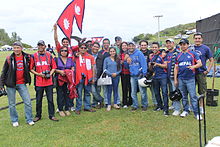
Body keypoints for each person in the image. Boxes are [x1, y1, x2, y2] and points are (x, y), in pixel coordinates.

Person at [0, 41, 34, 127]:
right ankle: (14, 120)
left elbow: (31, 65)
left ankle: (29, 119)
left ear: (21, 48)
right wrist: (1, 85)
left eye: (18, 47)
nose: (16, 49)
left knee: (28, 102)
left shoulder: (27, 57)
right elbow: (3, 72)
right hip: (10, 84)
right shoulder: (9, 58)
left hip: (22, 83)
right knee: (12, 104)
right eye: (14, 48)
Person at [30, 40, 59, 122]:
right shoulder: (34, 56)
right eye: (39, 45)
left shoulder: (49, 55)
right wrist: (39, 74)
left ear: (45, 46)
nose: (40, 47)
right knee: (38, 100)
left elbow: (54, 67)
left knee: (50, 99)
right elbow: (31, 69)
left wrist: (50, 73)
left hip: (49, 82)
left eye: (42, 45)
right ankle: (38, 115)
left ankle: (52, 115)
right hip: (39, 82)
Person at [174, 39, 202, 120]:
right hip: (181, 78)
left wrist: (193, 67)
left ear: (188, 45)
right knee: (184, 96)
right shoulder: (178, 55)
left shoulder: (193, 54)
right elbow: (176, 68)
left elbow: (200, 63)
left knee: (193, 96)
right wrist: (175, 79)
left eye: (184, 44)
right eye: (181, 44)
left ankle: (197, 113)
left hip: (190, 79)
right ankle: (186, 110)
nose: (183, 46)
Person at [193, 32, 214, 114]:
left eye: (199, 38)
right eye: (196, 38)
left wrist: (208, 70)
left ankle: (201, 107)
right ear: (193, 39)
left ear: (202, 39)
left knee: (202, 91)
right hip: (191, 72)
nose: (197, 40)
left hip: (201, 72)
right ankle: (193, 106)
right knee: (192, 90)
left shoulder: (206, 48)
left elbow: (211, 60)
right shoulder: (191, 48)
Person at [74, 42, 96, 115]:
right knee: (79, 93)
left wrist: (93, 77)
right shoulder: (76, 56)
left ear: (87, 49)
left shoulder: (90, 57)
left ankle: (87, 107)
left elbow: (93, 68)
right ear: (79, 48)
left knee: (87, 93)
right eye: (81, 48)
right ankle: (78, 108)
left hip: (88, 77)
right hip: (78, 77)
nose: (83, 49)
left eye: (84, 48)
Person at [126, 42, 148, 111]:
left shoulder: (139, 53)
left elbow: (144, 63)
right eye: (129, 46)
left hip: (140, 75)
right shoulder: (128, 54)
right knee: (133, 92)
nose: (131, 47)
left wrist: (144, 73)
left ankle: (144, 105)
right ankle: (135, 105)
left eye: (132, 46)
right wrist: (127, 62)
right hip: (132, 75)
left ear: (135, 46)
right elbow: (127, 66)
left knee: (142, 92)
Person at [54, 46, 75, 117]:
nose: (64, 52)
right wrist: (60, 71)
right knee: (60, 94)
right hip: (59, 79)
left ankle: (66, 108)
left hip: (68, 79)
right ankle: (60, 109)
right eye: (62, 50)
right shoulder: (56, 59)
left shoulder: (70, 59)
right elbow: (53, 68)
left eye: (65, 51)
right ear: (60, 52)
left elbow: (72, 67)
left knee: (67, 94)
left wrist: (69, 71)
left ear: (67, 52)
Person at [150, 42, 169, 116]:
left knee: (164, 92)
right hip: (155, 76)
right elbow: (151, 68)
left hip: (163, 76)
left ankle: (166, 108)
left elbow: (166, 66)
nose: (154, 48)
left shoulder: (163, 55)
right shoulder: (151, 56)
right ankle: (159, 106)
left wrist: (157, 64)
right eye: (153, 47)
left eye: (155, 47)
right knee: (156, 93)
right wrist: (150, 66)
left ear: (158, 48)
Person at [139, 40, 157, 107]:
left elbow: (160, 52)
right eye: (142, 45)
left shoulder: (151, 52)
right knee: (143, 91)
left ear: (147, 46)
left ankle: (156, 103)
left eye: (145, 45)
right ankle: (144, 104)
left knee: (153, 90)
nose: (143, 46)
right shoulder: (138, 53)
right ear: (140, 46)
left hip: (151, 73)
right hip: (142, 74)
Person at [165, 38, 181, 116]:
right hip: (167, 76)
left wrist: (176, 77)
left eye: (170, 43)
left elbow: (177, 66)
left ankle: (177, 109)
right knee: (171, 92)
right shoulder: (166, 53)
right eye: (167, 43)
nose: (168, 45)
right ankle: (174, 105)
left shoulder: (177, 53)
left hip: (174, 76)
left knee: (176, 92)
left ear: (173, 43)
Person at [103, 47, 121, 111]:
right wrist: (110, 74)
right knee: (109, 91)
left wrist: (116, 73)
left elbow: (120, 69)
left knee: (116, 90)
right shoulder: (106, 59)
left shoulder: (118, 59)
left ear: (115, 52)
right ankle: (109, 104)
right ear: (109, 52)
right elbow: (104, 69)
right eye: (111, 51)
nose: (112, 52)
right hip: (109, 77)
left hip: (116, 77)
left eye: (113, 51)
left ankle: (115, 103)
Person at [88, 42, 104, 109]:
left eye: (97, 47)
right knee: (93, 90)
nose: (95, 48)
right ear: (92, 47)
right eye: (94, 46)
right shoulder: (88, 55)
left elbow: (102, 66)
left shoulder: (101, 56)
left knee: (97, 90)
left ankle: (94, 103)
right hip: (90, 75)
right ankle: (101, 100)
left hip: (99, 75)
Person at [119, 42, 132, 108]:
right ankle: (124, 102)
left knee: (131, 88)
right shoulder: (119, 54)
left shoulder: (131, 53)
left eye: (125, 45)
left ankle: (130, 101)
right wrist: (124, 59)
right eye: (123, 46)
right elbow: (120, 63)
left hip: (130, 73)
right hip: (123, 73)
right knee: (124, 88)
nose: (124, 47)